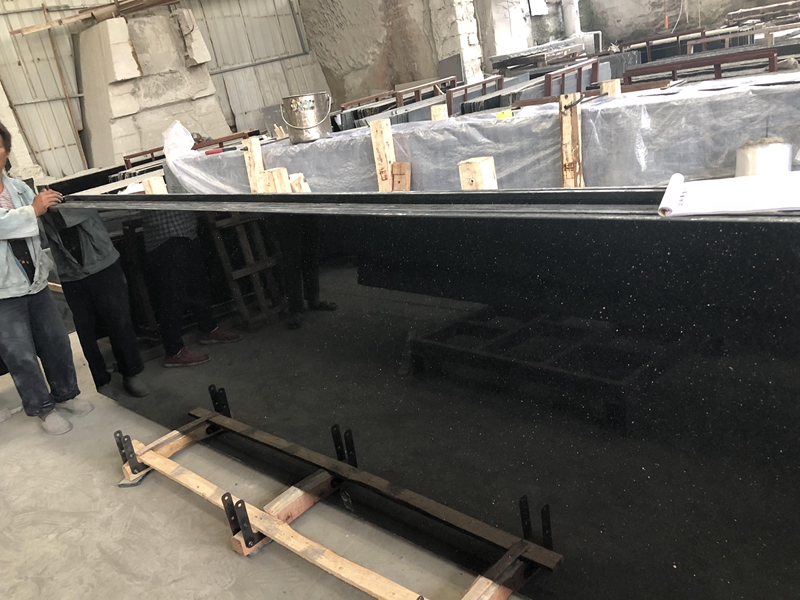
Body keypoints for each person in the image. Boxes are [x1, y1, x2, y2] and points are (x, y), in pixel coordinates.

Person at [0, 122, 93, 435]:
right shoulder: (27, 200)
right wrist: (33, 211)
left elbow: (39, 223)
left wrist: (48, 205)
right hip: (3, 292)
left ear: (6, 151)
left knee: (55, 341)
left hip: (35, 281)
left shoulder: (18, 188)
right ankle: (42, 408)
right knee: (20, 354)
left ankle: (66, 394)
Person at [40, 207, 150, 397]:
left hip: (102, 262)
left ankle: (131, 372)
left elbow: (77, 211)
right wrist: (39, 209)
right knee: (83, 332)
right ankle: (99, 380)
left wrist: (47, 208)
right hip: (68, 272)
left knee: (120, 321)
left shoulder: (69, 195)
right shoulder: (33, 198)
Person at [143, 207, 241, 366]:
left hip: (187, 230)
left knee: (199, 286)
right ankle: (174, 351)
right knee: (173, 296)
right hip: (166, 235)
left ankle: (208, 329)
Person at [277, 214, 337, 329]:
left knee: (311, 257)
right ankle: (295, 309)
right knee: (292, 262)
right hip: (288, 214)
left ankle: (313, 299)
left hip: (309, 211)